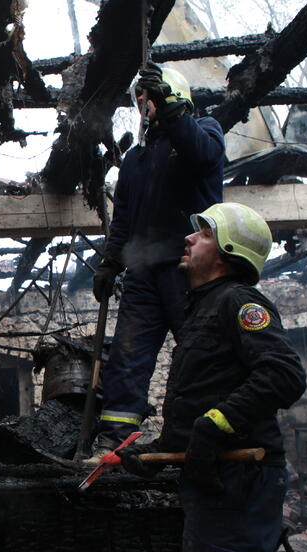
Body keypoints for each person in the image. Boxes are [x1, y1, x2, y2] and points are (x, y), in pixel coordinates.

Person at [119, 202, 307, 552]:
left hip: (239, 486)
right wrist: (158, 451)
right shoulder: (201, 309)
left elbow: (283, 375)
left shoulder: (239, 302)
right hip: (222, 484)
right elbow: (203, 399)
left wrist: (214, 425)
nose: (187, 239)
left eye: (201, 234)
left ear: (224, 251)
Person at [87, 63, 225, 460]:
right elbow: (125, 218)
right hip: (142, 273)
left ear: (172, 98)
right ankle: (115, 438)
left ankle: (200, 435)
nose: (143, 108)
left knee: (198, 355)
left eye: (149, 99)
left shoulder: (204, 132)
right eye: (141, 101)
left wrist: (169, 108)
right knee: (127, 358)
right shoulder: (134, 160)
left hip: (190, 269)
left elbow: (202, 156)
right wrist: (110, 262)